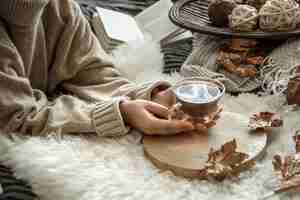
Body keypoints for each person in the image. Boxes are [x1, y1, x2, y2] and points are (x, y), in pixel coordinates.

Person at [0, 0, 195, 137]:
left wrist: (148, 96)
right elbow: (16, 118)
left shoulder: (62, 8)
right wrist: (120, 113)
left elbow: (92, 71)